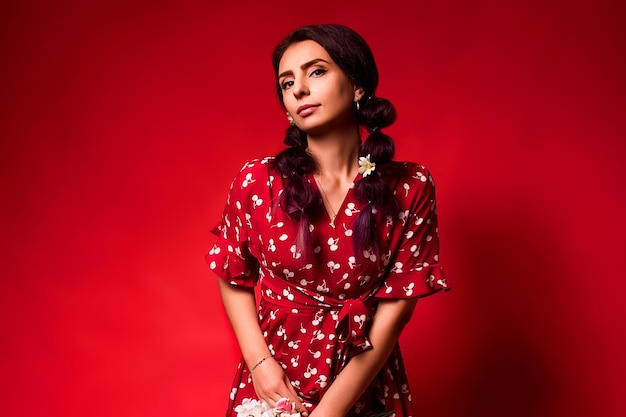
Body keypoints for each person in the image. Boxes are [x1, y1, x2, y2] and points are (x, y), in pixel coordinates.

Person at [206, 24, 449, 417]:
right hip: (276, 384)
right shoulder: (257, 181)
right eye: (287, 83)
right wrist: (260, 365)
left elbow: (398, 308)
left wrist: (330, 411)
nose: (299, 89)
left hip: (362, 383)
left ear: (356, 85)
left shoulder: (409, 186)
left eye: (316, 71)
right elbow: (232, 272)